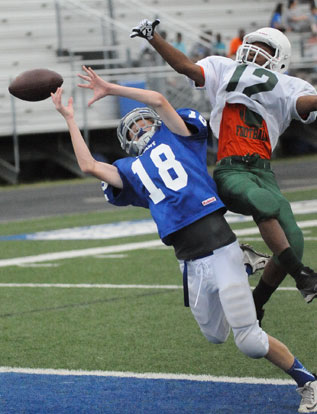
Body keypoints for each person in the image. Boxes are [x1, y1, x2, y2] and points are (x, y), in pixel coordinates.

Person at [51, 66, 317, 413]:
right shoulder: (130, 170)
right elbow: (87, 165)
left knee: (249, 340)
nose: (139, 128)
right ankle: (247, 260)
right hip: (189, 260)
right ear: (126, 142)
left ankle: (307, 382)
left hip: (219, 246)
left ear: (155, 122)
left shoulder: (180, 136)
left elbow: (159, 99)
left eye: (142, 122)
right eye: (132, 128)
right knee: (214, 335)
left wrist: (111, 88)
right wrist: (69, 117)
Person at [129, 20, 317, 325]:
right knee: (264, 205)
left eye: (264, 48)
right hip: (232, 169)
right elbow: (187, 67)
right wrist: (154, 38)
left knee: (293, 241)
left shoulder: (290, 85)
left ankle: (257, 302)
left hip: (263, 170)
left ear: (279, 57)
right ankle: (303, 276)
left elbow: (304, 103)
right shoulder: (223, 67)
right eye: (253, 44)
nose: (255, 50)